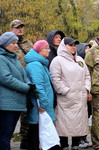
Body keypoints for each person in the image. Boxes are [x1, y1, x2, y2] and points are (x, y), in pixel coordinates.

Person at [50, 37, 91, 150]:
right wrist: (66, 91)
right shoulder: (58, 60)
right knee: (64, 124)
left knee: (79, 123)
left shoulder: (80, 60)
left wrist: (86, 89)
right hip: (66, 99)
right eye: (70, 45)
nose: (73, 47)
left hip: (80, 97)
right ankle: (64, 145)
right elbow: (55, 79)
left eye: (74, 45)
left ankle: (75, 145)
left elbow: (87, 76)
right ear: (64, 46)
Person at [0, 32, 33, 150]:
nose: (16, 46)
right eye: (13, 43)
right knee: (4, 136)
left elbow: (23, 75)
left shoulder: (14, 58)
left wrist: (29, 84)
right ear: (4, 44)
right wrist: (26, 88)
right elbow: (6, 78)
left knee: (7, 135)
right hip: (6, 105)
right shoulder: (1, 58)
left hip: (16, 104)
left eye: (16, 43)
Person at [24, 40, 59, 150]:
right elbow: (38, 86)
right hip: (39, 106)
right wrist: (43, 104)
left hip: (42, 105)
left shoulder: (41, 64)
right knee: (36, 131)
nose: (48, 50)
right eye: (45, 48)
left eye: (48, 48)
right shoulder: (35, 65)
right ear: (39, 50)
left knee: (38, 131)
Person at [10, 19, 33, 149]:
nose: (20, 29)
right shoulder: (7, 43)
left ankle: (25, 140)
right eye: (17, 27)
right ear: (11, 29)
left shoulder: (27, 42)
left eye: (21, 27)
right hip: (15, 82)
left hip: (29, 81)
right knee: (13, 114)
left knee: (28, 112)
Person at [76, 43, 93, 148]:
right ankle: (79, 139)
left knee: (88, 115)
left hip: (89, 91)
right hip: (79, 93)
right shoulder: (78, 62)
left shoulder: (90, 61)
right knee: (80, 116)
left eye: (89, 48)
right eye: (86, 48)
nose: (88, 50)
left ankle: (84, 137)